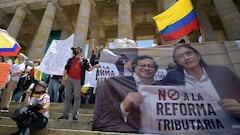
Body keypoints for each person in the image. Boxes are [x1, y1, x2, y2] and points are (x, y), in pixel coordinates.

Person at [162, 44, 240, 118]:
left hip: (230, 125)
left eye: (188, 53)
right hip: (194, 128)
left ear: (198, 56)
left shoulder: (222, 72)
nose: (186, 58)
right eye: (180, 56)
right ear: (178, 62)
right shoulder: (171, 78)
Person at [93, 55, 158, 133]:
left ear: (155, 69)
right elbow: (104, 114)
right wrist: (124, 106)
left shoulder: (161, 87)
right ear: (134, 67)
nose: (147, 68)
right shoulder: (116, 84)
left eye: (150, 66)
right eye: (142, 65)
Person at [58, 46, 98, 120]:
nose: (75, 50)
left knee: (77, 97)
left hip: (78, 80)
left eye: (76, 49)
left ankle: (75, 115)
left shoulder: (84, 60)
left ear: (80, 51)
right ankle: (65, 115)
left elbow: (89, 69)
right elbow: (66, 69)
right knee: (67, 97)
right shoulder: (70, 60)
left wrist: (95, 66)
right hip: (69, 79)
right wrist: (63, 78)